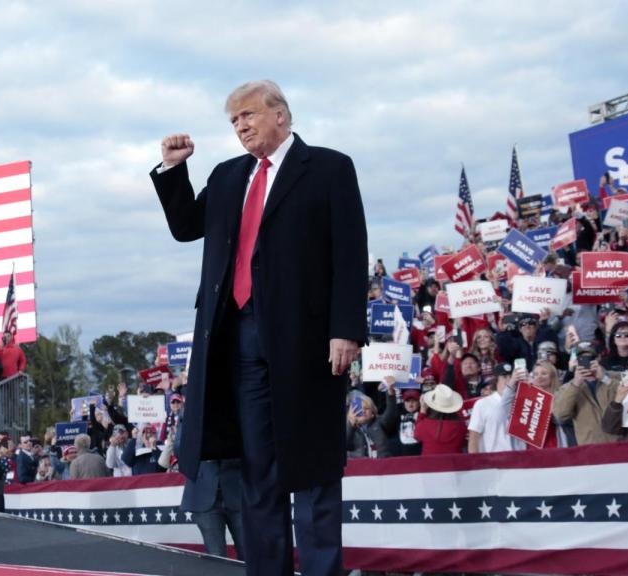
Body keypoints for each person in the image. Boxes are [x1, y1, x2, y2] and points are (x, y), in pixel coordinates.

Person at [152, 79, 367, 575]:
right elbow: (186, 227)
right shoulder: (229, 175)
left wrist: (346, 329)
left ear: (281, 115)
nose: (241, 126)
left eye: (248, 115)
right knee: (257, 470)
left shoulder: (330, 168)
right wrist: (173, 169)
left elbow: (350, 251)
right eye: (234, 120)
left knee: (312, 466)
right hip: (239, 339)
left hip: (308, 342)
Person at [180, 459, 245, 561]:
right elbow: (180, 451)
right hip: (203, 493)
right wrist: (199, 452)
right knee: (216, 555)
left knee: (248, 552)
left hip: (240, 490)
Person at [468, 363, 515, 453]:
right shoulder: (482, 404)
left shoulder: (522, 403)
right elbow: (474, 437)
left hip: (520, 458)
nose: (509, 380)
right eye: (504, 377)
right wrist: (474, 460)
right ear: (496, 381)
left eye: (511, 377)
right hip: (493, 458)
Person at [414, 384, 467, 455]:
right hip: (454, 461)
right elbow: (464, 442)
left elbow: (416, 436)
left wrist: (422, 410)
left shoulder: (424, 424)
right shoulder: (461, 426)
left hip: (429, 461)